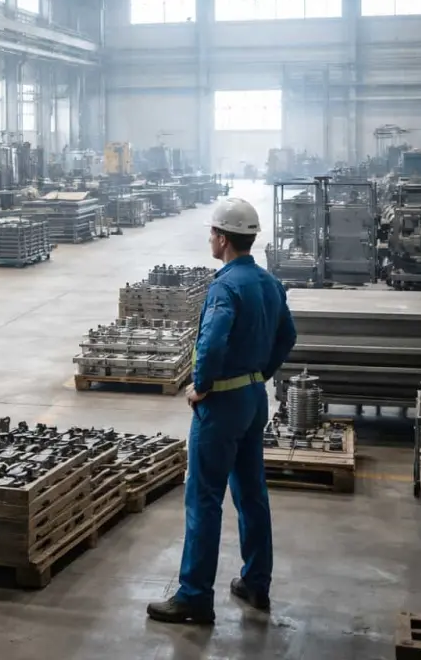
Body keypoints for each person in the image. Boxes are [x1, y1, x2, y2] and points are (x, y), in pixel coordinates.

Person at [146, 197, 297, 625]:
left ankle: (195, 596)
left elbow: (211, 343)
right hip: (253, 399)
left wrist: (202, 386)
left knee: (204, 497)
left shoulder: (226, 287)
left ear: (223, 239)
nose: (210, 239)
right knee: (251, 493)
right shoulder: (269, 283)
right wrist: (261, 374)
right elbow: (288, 335)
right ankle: (256, 583)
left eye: (212, 233)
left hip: (223, 404)